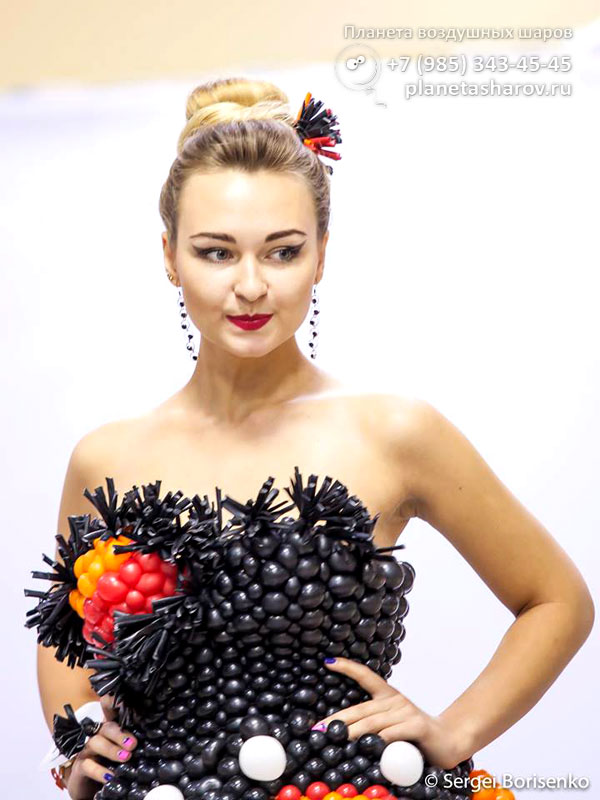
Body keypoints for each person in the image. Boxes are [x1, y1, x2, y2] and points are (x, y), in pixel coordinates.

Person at [35, 76, 594, 800]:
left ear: (321, 254)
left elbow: (557, 599)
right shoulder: (106, 459)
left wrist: (457, 731)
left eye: (282, 251)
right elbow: (64, 641)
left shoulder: (395, 432)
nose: (250, 286)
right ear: (169, 255)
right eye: (216, 253)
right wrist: (76, 750)